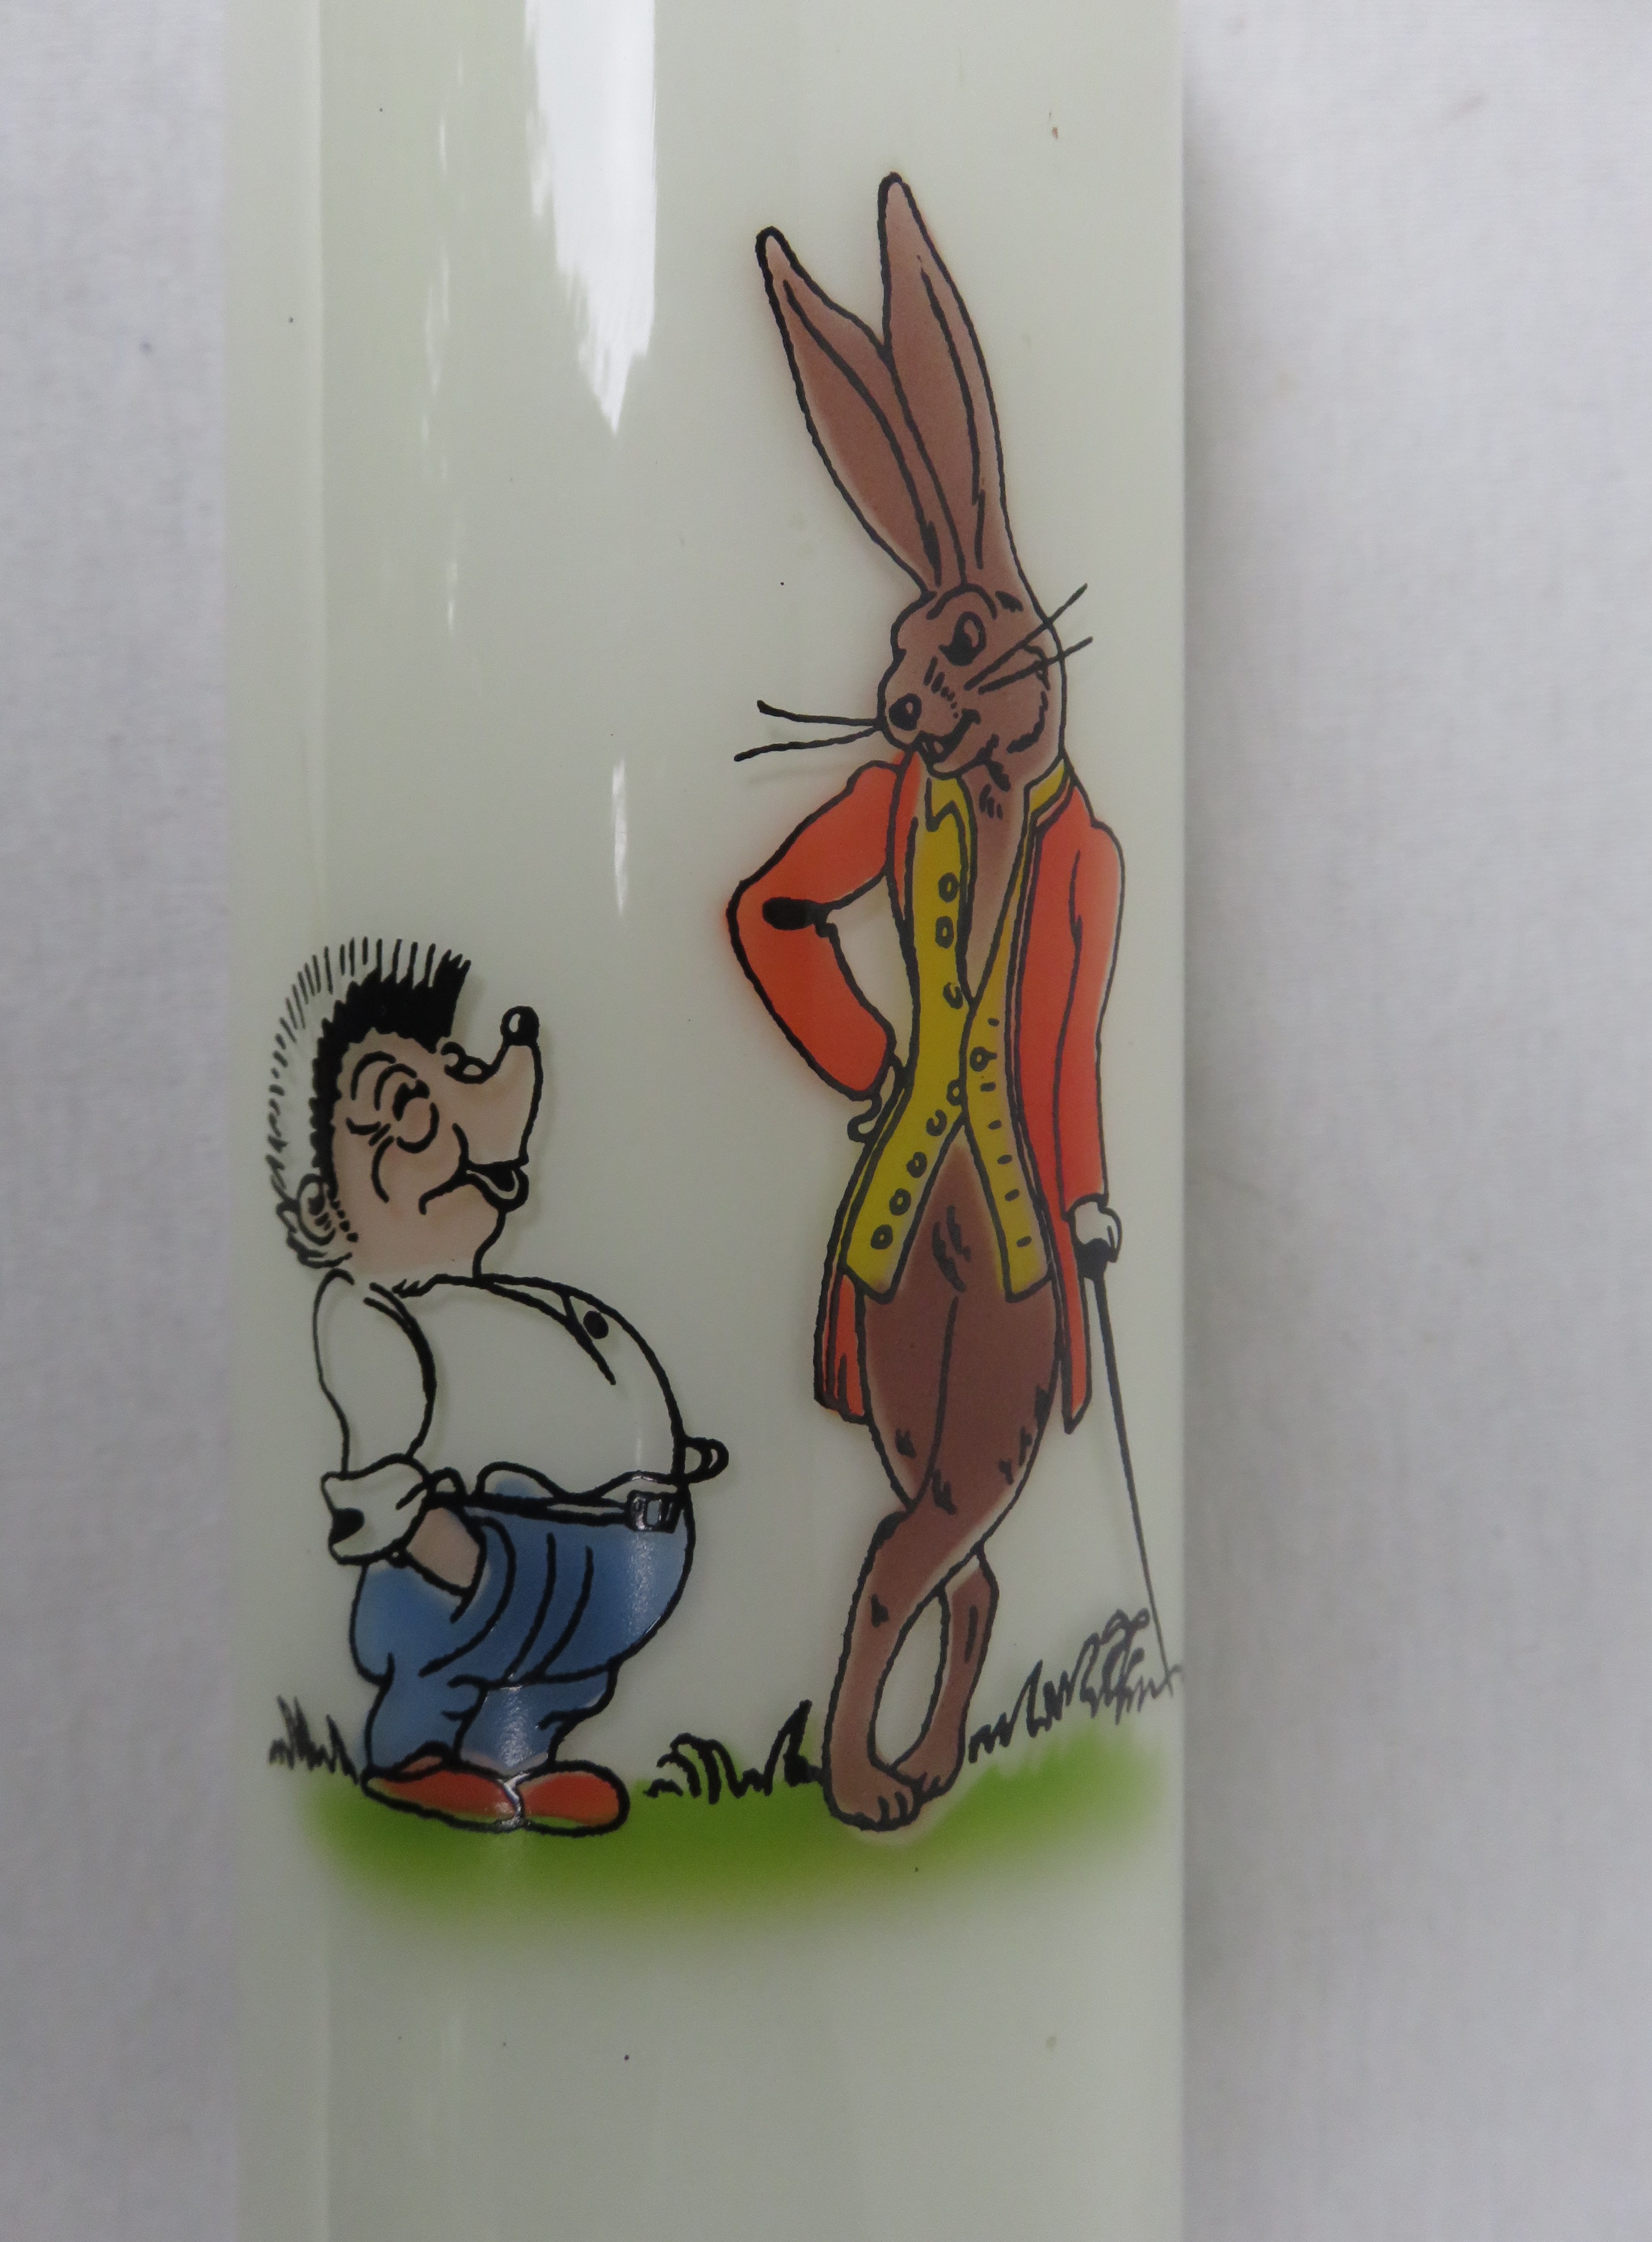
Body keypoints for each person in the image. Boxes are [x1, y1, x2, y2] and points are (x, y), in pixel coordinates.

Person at [268, 940, 724, 1834]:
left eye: (454, 1075)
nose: (442, 1131)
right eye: (401, 1114)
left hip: (616, 1547)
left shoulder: (496, 1299)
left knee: (571, 1676)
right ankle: (413, 1758)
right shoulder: (370, 1312)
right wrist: (467, 1569)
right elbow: (380, 1479)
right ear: (326, 1203)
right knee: (446, 1657)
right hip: (486, 1550)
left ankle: (516, 1762)